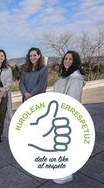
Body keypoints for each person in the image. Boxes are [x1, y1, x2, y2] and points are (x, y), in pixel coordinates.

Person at [53, 50, 85, 184]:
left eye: (70, 59)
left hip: (66, 115)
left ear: (75, 61)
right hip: (60, 113)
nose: (67, 61)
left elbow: (73, 100)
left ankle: (66, 173)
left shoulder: (75, 78)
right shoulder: (65, 75)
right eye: (65, 58)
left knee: (65, 144)